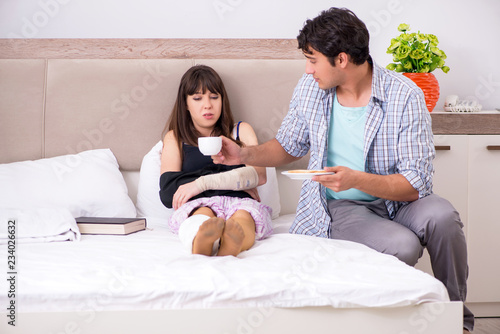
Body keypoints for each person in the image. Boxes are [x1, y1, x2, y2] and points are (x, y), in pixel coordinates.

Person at [212, 7, 473, 332]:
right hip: (345, 206)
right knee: (403, 245)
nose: (308, 70)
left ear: (342, 59)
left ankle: (456, 319)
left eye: (313, 59)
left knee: (443, 217)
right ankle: (391, 321)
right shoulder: (311, 89)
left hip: (404, 200)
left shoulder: (405, 96)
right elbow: (288, 146)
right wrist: (244, 153)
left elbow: (415, 184)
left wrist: (355, 178)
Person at [159, 64, 273, 257]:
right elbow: (169, 192)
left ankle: (232, 242)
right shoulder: (175, 138)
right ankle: (201, 241)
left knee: (243, 218)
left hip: (240, 202)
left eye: (214, 97)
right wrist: (233, 180)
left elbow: (258, 176)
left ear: (222, 100)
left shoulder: (240, 130)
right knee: (201, 215)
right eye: (197, 98)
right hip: (199, 204)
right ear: (185, 103)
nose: (207, 105)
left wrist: (197, 184)